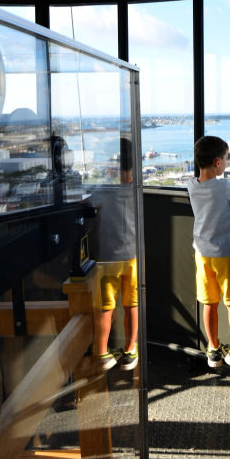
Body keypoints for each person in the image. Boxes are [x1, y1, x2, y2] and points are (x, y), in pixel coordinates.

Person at [187, 136, 230, 368]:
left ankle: (213, 349)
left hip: (202, 253)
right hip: (225, 253)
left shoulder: (191, 186)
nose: (226, 164)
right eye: (225, 160)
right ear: (218, 163)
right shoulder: (224, 186)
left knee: (209, 303)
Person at [89, 137, 139, 372]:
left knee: (106, 307)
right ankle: (130, 350)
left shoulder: (104, 190)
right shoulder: (136, 191)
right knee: (132, 304)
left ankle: (101, 353)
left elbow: (88, 203)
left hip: (107, 257)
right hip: (132, 257)